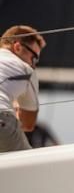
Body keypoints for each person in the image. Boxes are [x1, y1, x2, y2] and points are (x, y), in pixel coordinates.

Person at [0, 25, 45, 153]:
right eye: (34, 58)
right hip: (2, 119)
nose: (33, 65)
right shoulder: (26, 69)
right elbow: (27, 124)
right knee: (30, 166)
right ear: (18, 47)